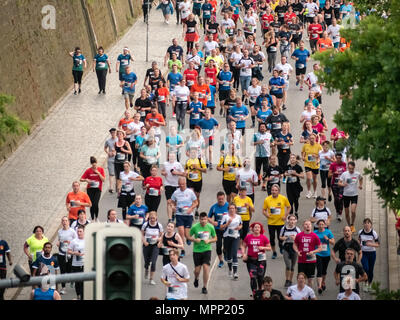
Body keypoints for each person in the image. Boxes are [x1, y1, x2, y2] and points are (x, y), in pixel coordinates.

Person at [168, 177, 199, 257]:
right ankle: (182, 250)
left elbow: (196, 202)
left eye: (183, 184)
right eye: (180, 184)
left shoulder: (190, 192)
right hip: (179, 214)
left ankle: (188, 238)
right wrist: (173, 207)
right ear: (178, 184)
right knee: (181, 232)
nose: (182, 186)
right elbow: (172, 202)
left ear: (186, 184)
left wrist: (191, 208)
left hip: (188, 215)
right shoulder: (176, 192)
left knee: (186, 234)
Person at [189, 212, 217, 294]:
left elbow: (215, 238)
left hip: (207, 249)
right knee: (197, 270)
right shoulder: (195, 227)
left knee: (205, 267)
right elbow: (188, 236)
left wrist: (209, 240)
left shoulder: (210, 227)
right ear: (199, 219)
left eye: (205, 219)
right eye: (202, 219)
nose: (203, 221)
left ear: (207, 219)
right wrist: (194, 240)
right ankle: (196, 278)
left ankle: (205, 286)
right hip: (197, 250)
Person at [242, 222, 271, 295]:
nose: (257, 228)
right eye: (255, 227)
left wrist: (263, 247)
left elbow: (269, 248)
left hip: (261, 259)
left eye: (258, 227)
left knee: (260, 276)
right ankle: (254, 293)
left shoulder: (263, 237)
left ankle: (260, 291)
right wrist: (244, 254)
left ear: (260, 229)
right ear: (252, 229)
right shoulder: (248, 237)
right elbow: (243, 246)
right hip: (251, 260)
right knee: (253, 277)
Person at [262, 184, 291, 259]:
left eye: (275, 190)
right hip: (271, 222)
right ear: (271, 191)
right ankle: (274, 252)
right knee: (272, 238)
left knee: (280, 238)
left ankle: (281, 247)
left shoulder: (283, 198)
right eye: (272, 190)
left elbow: (289, 207)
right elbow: (264, 210)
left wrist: (285, 215)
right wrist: (267, 215)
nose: (274, 192)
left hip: (280, 222)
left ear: (278, 191)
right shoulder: (267, 199)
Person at [293, 220, 322, 287]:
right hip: (301, 260)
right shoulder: (299, 235)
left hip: (311, 260)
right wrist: (297, 251)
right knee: (301, 279)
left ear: (311, 226)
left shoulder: (314, 236)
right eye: (306, 224)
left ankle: (309, 293)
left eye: (309, 224)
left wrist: (313, 252)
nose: (308, 225)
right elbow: (294, 245)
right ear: (303, 226)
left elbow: (320, 248)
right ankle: (302, 293)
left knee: (310, 279)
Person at [339, 161, 363, 233]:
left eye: (352, 169)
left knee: (353, 211)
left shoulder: (357, 174)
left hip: (354, 195)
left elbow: (361, 178)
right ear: (347, 168)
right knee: (346, 213)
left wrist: (360, 185)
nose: (351, 170)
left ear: (354, 167)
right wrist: (343, 184)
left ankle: (352, 224)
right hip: (346, 195)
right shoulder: (344, 174)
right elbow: (339, 183)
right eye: (349, 168)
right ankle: (349, 226)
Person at [220, 204, 243, 280]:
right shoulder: (225, 217)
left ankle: (235, 272)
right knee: (228, 255)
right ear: (228, 209)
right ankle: (230, 268)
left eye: (233, 208)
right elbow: (221, 227)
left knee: (234, 253)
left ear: (235, 209)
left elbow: (241, 225)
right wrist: (227, 224)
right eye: (230, 208)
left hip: (236, 237)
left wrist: (239, 227)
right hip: (227, 237)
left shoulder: (238, 217)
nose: (232, 210)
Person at [208, 191, 229, 268]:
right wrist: (213, 222)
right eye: (219, 199)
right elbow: (208, 217)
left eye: (222, 199)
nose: (221, 200)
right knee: (218, 246)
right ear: (217, 198)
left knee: (226, 245)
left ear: (224, 198)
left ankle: (225, 252)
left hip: (226, 229)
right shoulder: (214, 207)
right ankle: (220, 260)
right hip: (217, 229)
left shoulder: (228, 206)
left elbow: (233, 215)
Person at [162, 153, 186, 221]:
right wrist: (163, 173)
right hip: (168, 184)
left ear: (175, 157)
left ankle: (173, 214)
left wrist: (176, 173)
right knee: (169, 201)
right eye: (170, 156)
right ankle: (170, 219)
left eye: (173, 156)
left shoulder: (178, 164)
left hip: (176, 185)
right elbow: (162, 171)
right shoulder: (165, 164)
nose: (171, 157)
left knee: (175, 202)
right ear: (168, 157)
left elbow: (184, 174)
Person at [80, 156, 105, 222]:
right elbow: (81, 179)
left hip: (98, 189)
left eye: (95, 165)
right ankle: (92, 218)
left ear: (97, 163)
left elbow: (103, 180)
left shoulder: (100, 169)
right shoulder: (88, 170)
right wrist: (86, 180)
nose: (94, 167)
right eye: (93, 165)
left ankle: (96, 217)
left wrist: (98, 173)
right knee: (91, 204)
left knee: (96, 204)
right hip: (90, 189)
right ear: (91, 164)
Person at [358, 218, 380, 292]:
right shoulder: (360, 232)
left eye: (368, 223)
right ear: (363, 224)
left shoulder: (374, 233)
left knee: (371, 270)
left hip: (372, 253)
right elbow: (359, 240)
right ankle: (365, 283)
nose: (367, 224)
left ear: (371, 224)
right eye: (365, 223)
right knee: (365, 268)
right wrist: (359, 245)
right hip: (363, 253)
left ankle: (369, 284)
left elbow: (378, 244)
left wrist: (371, 244)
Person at [142, 211, 163, 285]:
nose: (152, 219)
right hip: (147, 245)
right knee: (147, 261)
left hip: (155, 245)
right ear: (149, 218)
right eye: (151, 218)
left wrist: (160, 241)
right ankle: (146, 268)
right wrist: (144, 241)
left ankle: (151, 279)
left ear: (156, 218)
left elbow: (161, 235)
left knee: (153, 262)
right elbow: (141, 234)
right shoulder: (145, 225)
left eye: (153, 218)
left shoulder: (159, 225)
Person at [280, 214, 301, 287]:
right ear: (288, 220)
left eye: (293, 220)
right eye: (290, 220)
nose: (291, 221)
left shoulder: (297, 229)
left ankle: (290, 280)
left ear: (295, 221)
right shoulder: (284, 228)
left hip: (294, 247)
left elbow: (300, 239)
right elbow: (280, 237)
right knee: (288, 265)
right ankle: (287, 280)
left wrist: (295, 238)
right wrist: (285, 238)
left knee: (292, 266)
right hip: (286, 247)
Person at [185, 147, 207, 218]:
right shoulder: (188, 161)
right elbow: (186, 169)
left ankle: (197, 210)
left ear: (197, 153)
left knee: (197, 197)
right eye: (192, 153)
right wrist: (186, 172)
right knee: (191, 195)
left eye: (194, 152)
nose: (193, 154)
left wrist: (197, 168)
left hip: (198, 180)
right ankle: (191, 211)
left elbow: (205, 170)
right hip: (190, 180)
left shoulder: (200, 160)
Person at [314, 219, 335, 294]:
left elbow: (333, 242)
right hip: (318, 253)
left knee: (324, 271)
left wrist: (328, 239)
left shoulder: (328, 232)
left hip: (326, 254)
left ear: (325, 225)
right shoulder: (315, 233)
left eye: (322, 224)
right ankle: (319, 286)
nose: (321, 226)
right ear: (317, 225)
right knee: (319, 270)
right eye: (319, 224)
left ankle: (323, 282)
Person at [302, 133, 322, 199]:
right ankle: (309, 191)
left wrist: (316, 158)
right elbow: (303, 152)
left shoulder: (319, 146)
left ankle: (315, 192)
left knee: (314, 179)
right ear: (309, 139)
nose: (312, 140)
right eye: (310, 138)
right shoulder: (306, 145)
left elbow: (321, 156)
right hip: (307, 164)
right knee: (309, 178)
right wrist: (303, 157)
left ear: (315, 138)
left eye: (313, 138)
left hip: (315, 165)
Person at [253, 123, 272, 191]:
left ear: (266, 128)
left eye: (264, 127)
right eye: (261, 127)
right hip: (258, 155)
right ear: (259, 128)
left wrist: (272, 144)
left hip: (266, 155)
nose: (262, 128)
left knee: (266, 170)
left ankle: (264, 185)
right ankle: (258, 178)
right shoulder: (256, 135)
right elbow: (251, 143)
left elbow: (273, 142)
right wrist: (258, 142)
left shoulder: (269, 135)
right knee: (257, 169)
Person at [68, 225, 85, 300]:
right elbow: (68, 251)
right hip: (76, 264)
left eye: (80, 231)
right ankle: (78, 294)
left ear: (84, 232)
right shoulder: (74, 241)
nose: (79, 233)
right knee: (77, 281)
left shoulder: (88, 240)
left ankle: (83, 296)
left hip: (85, 264)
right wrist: (75, 253)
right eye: (78, 231)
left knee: (83, 282)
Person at [328, 153, 347, 221]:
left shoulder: (344, 164)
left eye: (340, 158)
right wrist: (333, 173)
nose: (339, 159)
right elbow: (329, 175)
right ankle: (337, 211)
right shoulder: (333, 165)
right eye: (337, 158)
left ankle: (340, 213)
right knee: (336, 199)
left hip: (341, 184)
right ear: (335, 158)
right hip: (334, 184)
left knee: (340, 199)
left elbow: (346, 173)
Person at [104, 128, 118, 193]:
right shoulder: (108, 141)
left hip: (117, 158)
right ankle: (111, 187)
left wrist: (116, 152)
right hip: (110, 158)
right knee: (111, 174)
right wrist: (108, 153)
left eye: (114, 132)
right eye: (112, 132)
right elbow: (105, 148)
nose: (113, 134)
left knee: (117, 173)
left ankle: (117, 186)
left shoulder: (118, 139)